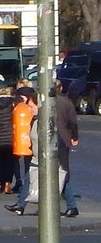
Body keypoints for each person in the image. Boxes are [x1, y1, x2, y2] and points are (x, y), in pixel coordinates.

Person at [6, 86, 38, 215]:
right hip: (34, 151)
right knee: (30, 177)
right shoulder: (34, 117)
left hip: (40, 154)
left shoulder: (43, 118)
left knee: (60, 179)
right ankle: (20, 205)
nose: (29, 109)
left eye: (31, 106)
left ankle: (71, 204)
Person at [54, 79, 81, 218]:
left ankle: (71, 205)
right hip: (63, 138)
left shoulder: (44, 102)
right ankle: (70, 205)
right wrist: (74, 137)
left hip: (49, 139)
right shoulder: (67, 102)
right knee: (63, 171)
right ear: (61, 88)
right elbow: (73, 123)